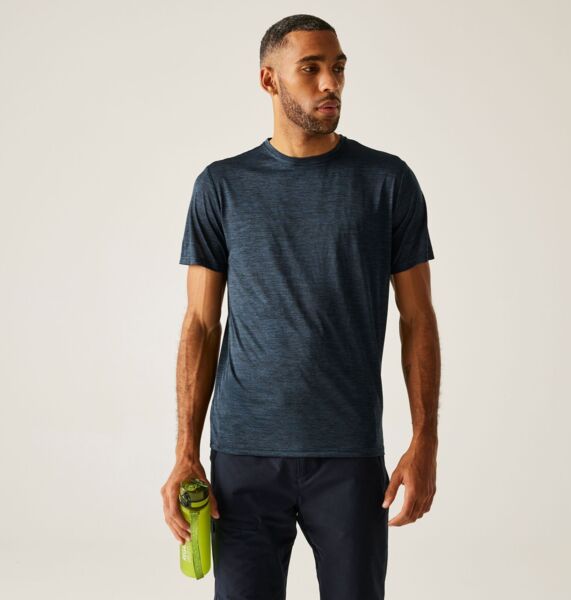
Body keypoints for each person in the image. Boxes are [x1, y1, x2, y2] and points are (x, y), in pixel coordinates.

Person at [160, 13, 440, 600]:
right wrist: (186, 451)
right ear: (269, 80)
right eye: (310, 69)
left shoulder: (386, 181)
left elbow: (418, 318)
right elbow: (202, 324)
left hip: (350, 456)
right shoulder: (222, 186)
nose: (330, 83)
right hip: (243, 459)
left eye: (337, 68)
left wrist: (425, 441)